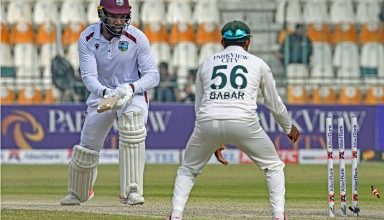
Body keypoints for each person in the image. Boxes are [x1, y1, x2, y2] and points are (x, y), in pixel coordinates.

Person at [168, 20, 299, 220]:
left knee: (187, 169)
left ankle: (176, 215)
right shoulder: (258, 63)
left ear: (222, 42)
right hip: (244, 122)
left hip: (207, 120)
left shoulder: (207, 62)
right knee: (273, 167)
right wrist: (288, 127)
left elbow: (199, 105)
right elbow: (273, 102)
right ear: (247, 42)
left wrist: (212, 139)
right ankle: (279, 216)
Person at [60, 0, 159, 206]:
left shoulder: (137, 37)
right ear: (102, 14)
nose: (119, 21)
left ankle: (132, 190)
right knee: (88, 143)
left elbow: (153, 76)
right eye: (114, 15)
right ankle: (79, 192)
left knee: (132, 125)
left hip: (131, 96)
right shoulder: (87, 37)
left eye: (123, 16)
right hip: (104, 95)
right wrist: (106, 92)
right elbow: (88, 76)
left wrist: (130, 88)